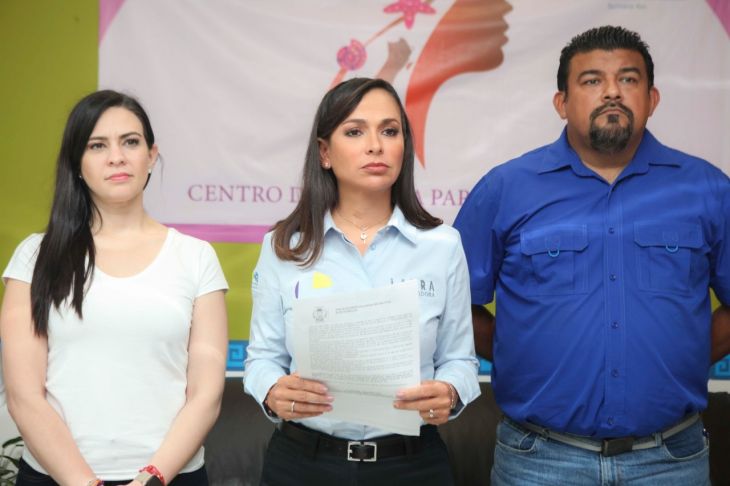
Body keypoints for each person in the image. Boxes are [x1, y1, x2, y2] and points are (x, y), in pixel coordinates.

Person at [454, 26, 730, 485]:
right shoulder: (506, 188)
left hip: (670, 462)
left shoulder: (707, 188)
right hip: (539, 461)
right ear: (561, 102)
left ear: (652, 98)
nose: (612, 92)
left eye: (628, 79)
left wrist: (688, 352)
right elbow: (453, 304)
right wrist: (516, 349)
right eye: (592, 80)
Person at [244, 77, 480, 485]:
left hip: (412, 464)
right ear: (324, 153)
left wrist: (451, 391)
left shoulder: (442, 246)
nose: (375, 145)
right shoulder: (284, 246)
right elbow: (261, 358)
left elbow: (461, 361)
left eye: (389, 131)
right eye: (355, 132)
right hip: (303, 463)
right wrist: (271, 391)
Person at [0, 90, 229, 486]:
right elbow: (24, 396)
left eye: (130, 142)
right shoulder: (35, 256)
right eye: (97, 145)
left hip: (168, 477)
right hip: (58, 477)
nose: (117, 157)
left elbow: (205, 395)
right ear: (77, 162)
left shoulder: (196, 257)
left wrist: (151, 477)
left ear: (151, 156)